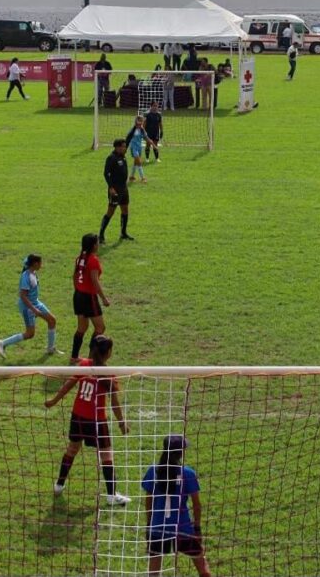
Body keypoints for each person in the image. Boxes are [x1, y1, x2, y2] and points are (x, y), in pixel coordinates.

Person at [45, 334, 131, 506]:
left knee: (72, 449)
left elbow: (68, 384)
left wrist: (54, 400)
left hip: (77, 416)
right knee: (106, 454)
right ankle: (111, 495)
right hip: (97, 420)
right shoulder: (107, 373)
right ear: (108, 353)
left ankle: (59, 485)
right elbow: (114, 403)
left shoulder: (83, 364)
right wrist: (122, 422)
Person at [143, 435, 211, 577]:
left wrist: (149, 525)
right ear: (181, 452)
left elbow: (148, 502)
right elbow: (197, 505)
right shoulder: (188, 473)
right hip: (183, 528)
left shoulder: (153, 471)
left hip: (158, 528)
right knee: (202, 567)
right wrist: (197, 528)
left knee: (153, 572)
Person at [0, 254, 62, 359]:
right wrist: (34, 310)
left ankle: (50, 348)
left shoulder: (33, 273)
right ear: (35, 264)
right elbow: (23, 296)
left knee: (52, 320)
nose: (41, 265)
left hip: (35, 302)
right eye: (40, 263)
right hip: (28, 307)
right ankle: (2, 343)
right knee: (30, 334)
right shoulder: (26, 276)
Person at [70, 233, 108, 363]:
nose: (98, 245)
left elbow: (74, 276)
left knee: (82, 328)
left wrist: (78, 289)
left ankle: (74, 356)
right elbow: (95, 281)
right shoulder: (93, 260)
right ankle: (92, 357)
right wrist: (103, 298)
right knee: (100, 328)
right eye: (97, 243)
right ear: (93, 245)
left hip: (78, 296)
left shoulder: (79, 258)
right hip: (89, 297)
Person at [100, 139, 133, 244]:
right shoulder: (111, 158)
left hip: (124, 188)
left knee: (125, 210)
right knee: (110, 212)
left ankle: (123, 233)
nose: (125, 148)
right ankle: (101, 235)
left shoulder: (122, 156)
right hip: (115, 189)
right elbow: (106, 174)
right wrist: (111, 187)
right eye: (123, 146)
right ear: (117, 147)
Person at [126, 115, 151, 184]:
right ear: (136, 122)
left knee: (136, 162)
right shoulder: (133, 129)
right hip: (133, 148)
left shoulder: (142, 130)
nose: (140, 123)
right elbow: (128, 138)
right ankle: (143, 178)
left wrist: (151, 143)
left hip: (139, 148)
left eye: (141, 122)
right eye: (139, 121)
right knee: (139, 162)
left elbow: (145, 137)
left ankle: (131, 177)